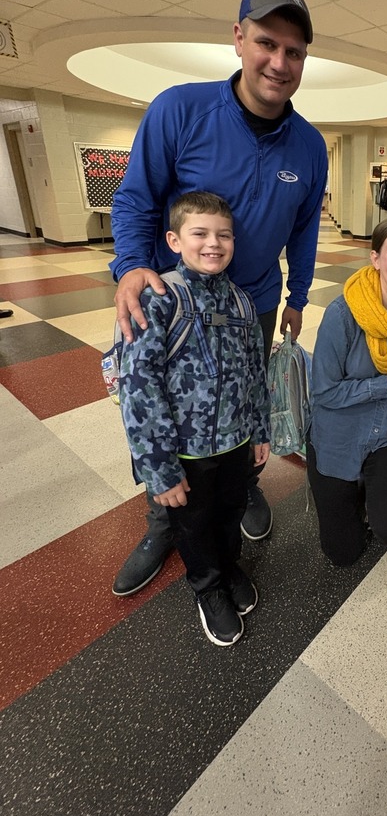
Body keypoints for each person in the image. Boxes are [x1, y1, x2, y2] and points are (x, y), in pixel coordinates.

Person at [109, 0, 327, 597]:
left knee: (242, 404)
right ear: (238, 38)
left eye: (295, 52)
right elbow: (135, 200)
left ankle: (239, 490)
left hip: (252, 304)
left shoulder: (309, 147)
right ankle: (164, 520)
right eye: (266, 43)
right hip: (173, 309)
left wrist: (298, 298)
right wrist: (129, 267)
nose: (279, 63)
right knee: (166, 415)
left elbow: (305, 230)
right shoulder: (180, 109)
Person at [118, 192, 270, 646]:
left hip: (235, 443)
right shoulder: (160, 298)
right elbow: (139, 389)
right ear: (174, 239)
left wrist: (259, 430)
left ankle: (229, 567)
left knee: (230, 513)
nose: (213, 244)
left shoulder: (241, 303)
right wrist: (159, 470)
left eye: (223, 235)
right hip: (184, 453)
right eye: (199, 233)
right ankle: (208, 589)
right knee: (194, 525)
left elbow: (256, 374)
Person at [307, 215, 387, 567]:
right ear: (375, 258)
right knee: (342, 553)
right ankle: (352, 492)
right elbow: (324, 393)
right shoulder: (343, 315)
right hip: (337, 437)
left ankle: (372, 490)